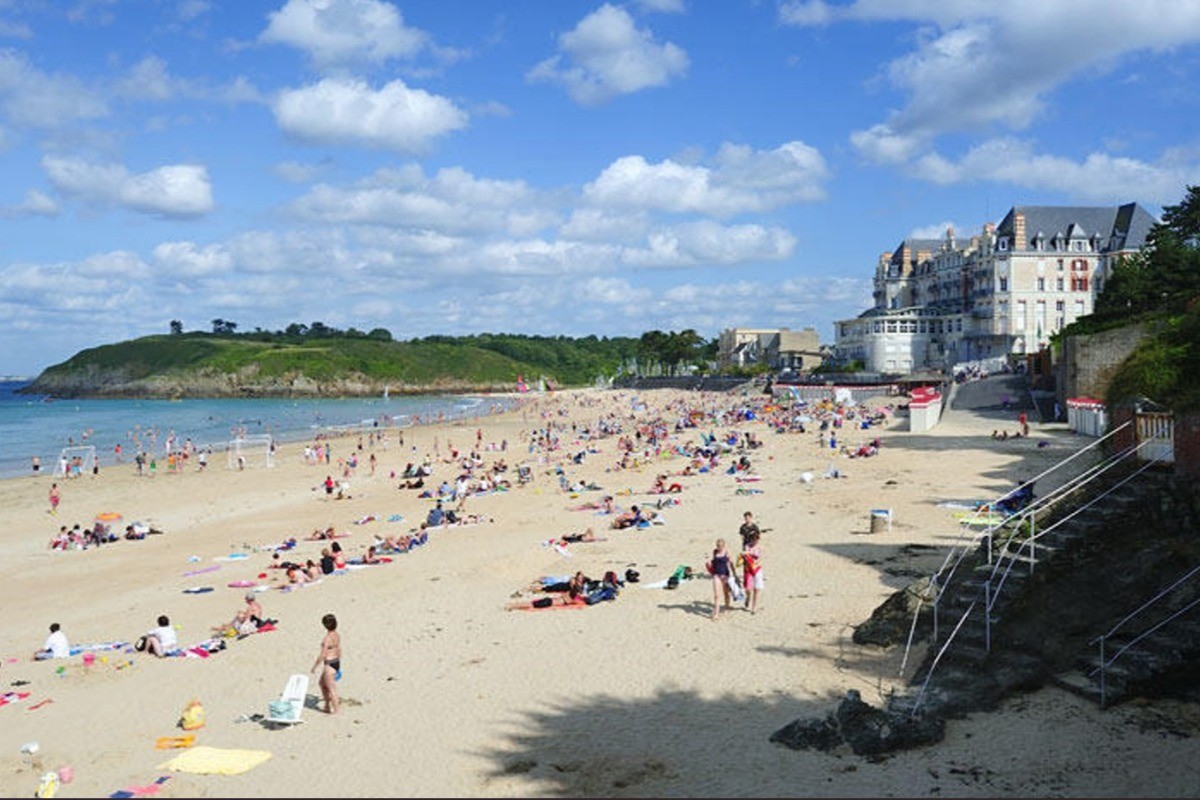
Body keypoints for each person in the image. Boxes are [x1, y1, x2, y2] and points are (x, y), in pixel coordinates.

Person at [311, 613, 341, 715]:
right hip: (336, 661)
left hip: (329, 663)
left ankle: (336, 711)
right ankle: (327, 706)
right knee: (322, 683)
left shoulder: (327, 639)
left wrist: (315, 666)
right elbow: (338, 648)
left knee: (331, 688)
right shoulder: (336, 635)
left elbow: (323, 654)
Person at [708, 538, 736, 620]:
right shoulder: (715, 552)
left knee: (726, 593)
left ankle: (727, 606)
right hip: (716, 575)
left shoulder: (727, 553)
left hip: (725, 575)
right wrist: (709, 564)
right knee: (717, 595)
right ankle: (716, 613)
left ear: (724, 546)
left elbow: (731, 564)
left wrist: (734, 574)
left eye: (720, 546)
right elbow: (713, 563)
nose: (718, 547)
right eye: (717, 545)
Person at [741, 531, 763, 614]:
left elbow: (759, 557)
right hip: (748, 569)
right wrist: (744, 554)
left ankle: (754, 607)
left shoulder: (759, 547)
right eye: (754, 539)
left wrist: (749, 553)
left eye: (757, 539)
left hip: (756, 569)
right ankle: (748, 597)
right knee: (748, 588)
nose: (755, 541)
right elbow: (744, 555)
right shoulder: (747, 546)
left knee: (756, 589)